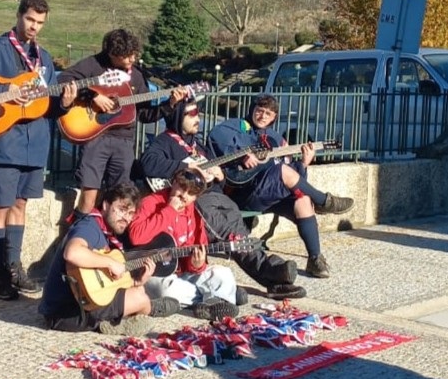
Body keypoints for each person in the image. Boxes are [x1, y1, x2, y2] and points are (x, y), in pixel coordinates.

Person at [0, 0, 76, 300]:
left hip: (36, 143)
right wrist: (4, 90)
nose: (34, 27)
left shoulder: (44, 59)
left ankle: (14, 266)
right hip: (6, 141)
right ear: (19, 15)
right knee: (1, 206)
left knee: (21, 205)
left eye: (40, 23)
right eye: (30, 20)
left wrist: (63, 104)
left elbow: (45, 107)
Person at [137, 98, 307, 300]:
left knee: (238, 229)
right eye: (190, 114)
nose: (197, 118)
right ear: (176, 117)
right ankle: (270, 272)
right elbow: (148, 162)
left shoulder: (197, 145)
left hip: (217, 196)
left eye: (198, 112)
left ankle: (272, 276)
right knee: (229, 232)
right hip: (194, 202)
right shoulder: (164, 141)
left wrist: (219, 175)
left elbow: (218, 174)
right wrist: (185, 167)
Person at [208, 94, 355, 279]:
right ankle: (324, 201)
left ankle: (315, 259)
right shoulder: (238, 126)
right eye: (259, 111)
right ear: (252, 110)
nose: (262, 116)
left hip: (269, 194)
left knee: (302, 199)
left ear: (274, 118)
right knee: (283, 171)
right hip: (243, 192)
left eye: (268, 114)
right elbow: (216, 135)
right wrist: (241, 155)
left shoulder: (276, 139)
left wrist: (303, 164)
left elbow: (295, 181)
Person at [58, 29, 186, 221]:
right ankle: (76, 238)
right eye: (126, 57)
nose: (131, 60)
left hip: (124, 140)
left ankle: (109, 243)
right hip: (96, 137)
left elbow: (144, 114)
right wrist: (93, 95)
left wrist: (170, 104)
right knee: (89, 194)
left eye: (133, 54)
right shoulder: (94, 64)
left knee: (119, 197)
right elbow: (64, 79)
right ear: (112, 55)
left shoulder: (137, 76)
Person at [38, 183, 180, 336]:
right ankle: (147, 310)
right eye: (122, 210)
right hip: (65, 313)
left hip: (82, 301)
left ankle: (121, 317)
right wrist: (111, 263)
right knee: (140, 297)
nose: (126, 218)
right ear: (105, 205)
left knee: (138, 289)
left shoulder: (106, 231)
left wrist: (136, 281)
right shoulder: (89, 226)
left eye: (131, 213)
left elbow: (105, 282)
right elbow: (72, 253)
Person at [128, 168, 241, 322]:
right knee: (165, 290)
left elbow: (195, 252)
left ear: (196, 197)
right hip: (153, 271)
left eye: (191, 193)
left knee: (223, 273)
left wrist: (197, 264)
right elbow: (136, 237)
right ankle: (218, 296)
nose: (184, 195)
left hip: (182, 273)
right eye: (181, 187)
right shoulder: (151, 202)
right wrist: (170, 210)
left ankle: (214, 300)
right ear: (173, 182)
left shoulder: (193, 212)